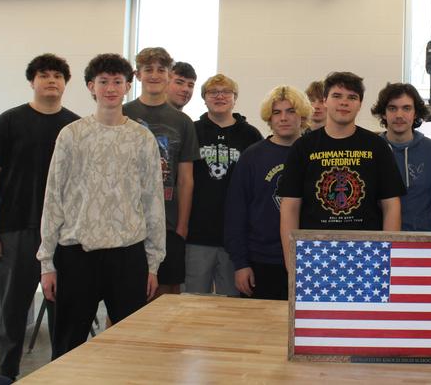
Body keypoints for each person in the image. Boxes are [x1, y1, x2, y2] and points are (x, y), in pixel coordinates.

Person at [37, 53, 165, 358]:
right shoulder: (71, 135)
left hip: (128, 255)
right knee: (68, 347)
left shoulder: (142, 138)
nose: (110, 88)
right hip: (77, 255)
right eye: (103, 82)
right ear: (91, 87)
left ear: (127, 86)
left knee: (130, 348)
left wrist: (153, 262)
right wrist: (47, 262)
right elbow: (53, 197)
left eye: (117, 82)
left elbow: (152, 201)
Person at [0, 53, 80, 381]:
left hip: (65, 235)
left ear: (66, 83)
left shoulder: (76, 127)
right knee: (12, 315)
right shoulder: (8, 122)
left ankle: (60, 376)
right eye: (44, 75)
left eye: (57, 76)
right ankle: (7, 376)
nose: (51, 80)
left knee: (63, 315)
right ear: (32, 81)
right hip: (15, 230)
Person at [278, 71, 405, 266]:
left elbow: (391, 205)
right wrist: (291, 260)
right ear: (325, 101)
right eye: (337, 96)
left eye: (352, 97)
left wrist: (387, 255)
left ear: (360, 104)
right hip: (314, 253)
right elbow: (290, 207)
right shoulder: (303, 147)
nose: (344, 102)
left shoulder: (377, 146)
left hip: (367, 254)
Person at [123, 47, 199, 295]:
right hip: (126, 223)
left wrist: (183, 226)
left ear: (168, 75)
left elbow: (186, 179)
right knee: (122, 297)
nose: (154, 75)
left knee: (166, 299)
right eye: (148, 69)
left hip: (168, 223)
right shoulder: (124, 114)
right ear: (137, 75)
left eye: (161, 69)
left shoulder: (183, 122)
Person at [224, 86, 312, 300]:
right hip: (261, 261)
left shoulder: (314, 154)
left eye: (291, 111)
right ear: (269, 118)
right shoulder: (252, 157)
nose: (284, 118)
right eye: (277, 112)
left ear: (302, 116)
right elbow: (236, 213)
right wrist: (241, 263)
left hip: (308, 258)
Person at [186, 74, 263, 294]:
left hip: (236, 238)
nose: (219, 96)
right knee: (193, 301)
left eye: (226, 91)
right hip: (198, 235)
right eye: (213, 92)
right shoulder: (193, 130)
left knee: (232, 305)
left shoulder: (250, 135)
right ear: (204, 98)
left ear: (235, 98)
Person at [370, 82, 431, 231]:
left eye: (406, 108)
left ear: (416, 113)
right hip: (380, 242)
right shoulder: (371, 150)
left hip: (426, 241)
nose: (399, 115)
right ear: (383, 113)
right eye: (392, 108)